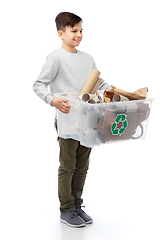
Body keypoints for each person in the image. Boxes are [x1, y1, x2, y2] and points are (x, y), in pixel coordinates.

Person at [33, 12, 110, 228]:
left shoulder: (87, 59)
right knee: (68, 166)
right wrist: (52, 100)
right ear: (61, 33)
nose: (79, 35)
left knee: (82, 165)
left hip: (88, 118)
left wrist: (113, 90)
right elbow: (39, 84)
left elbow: (98, 82)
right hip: (68, 120)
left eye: (81, 30)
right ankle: (66, 209)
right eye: (74, 31)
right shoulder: (55, 58)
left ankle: (77, 205)